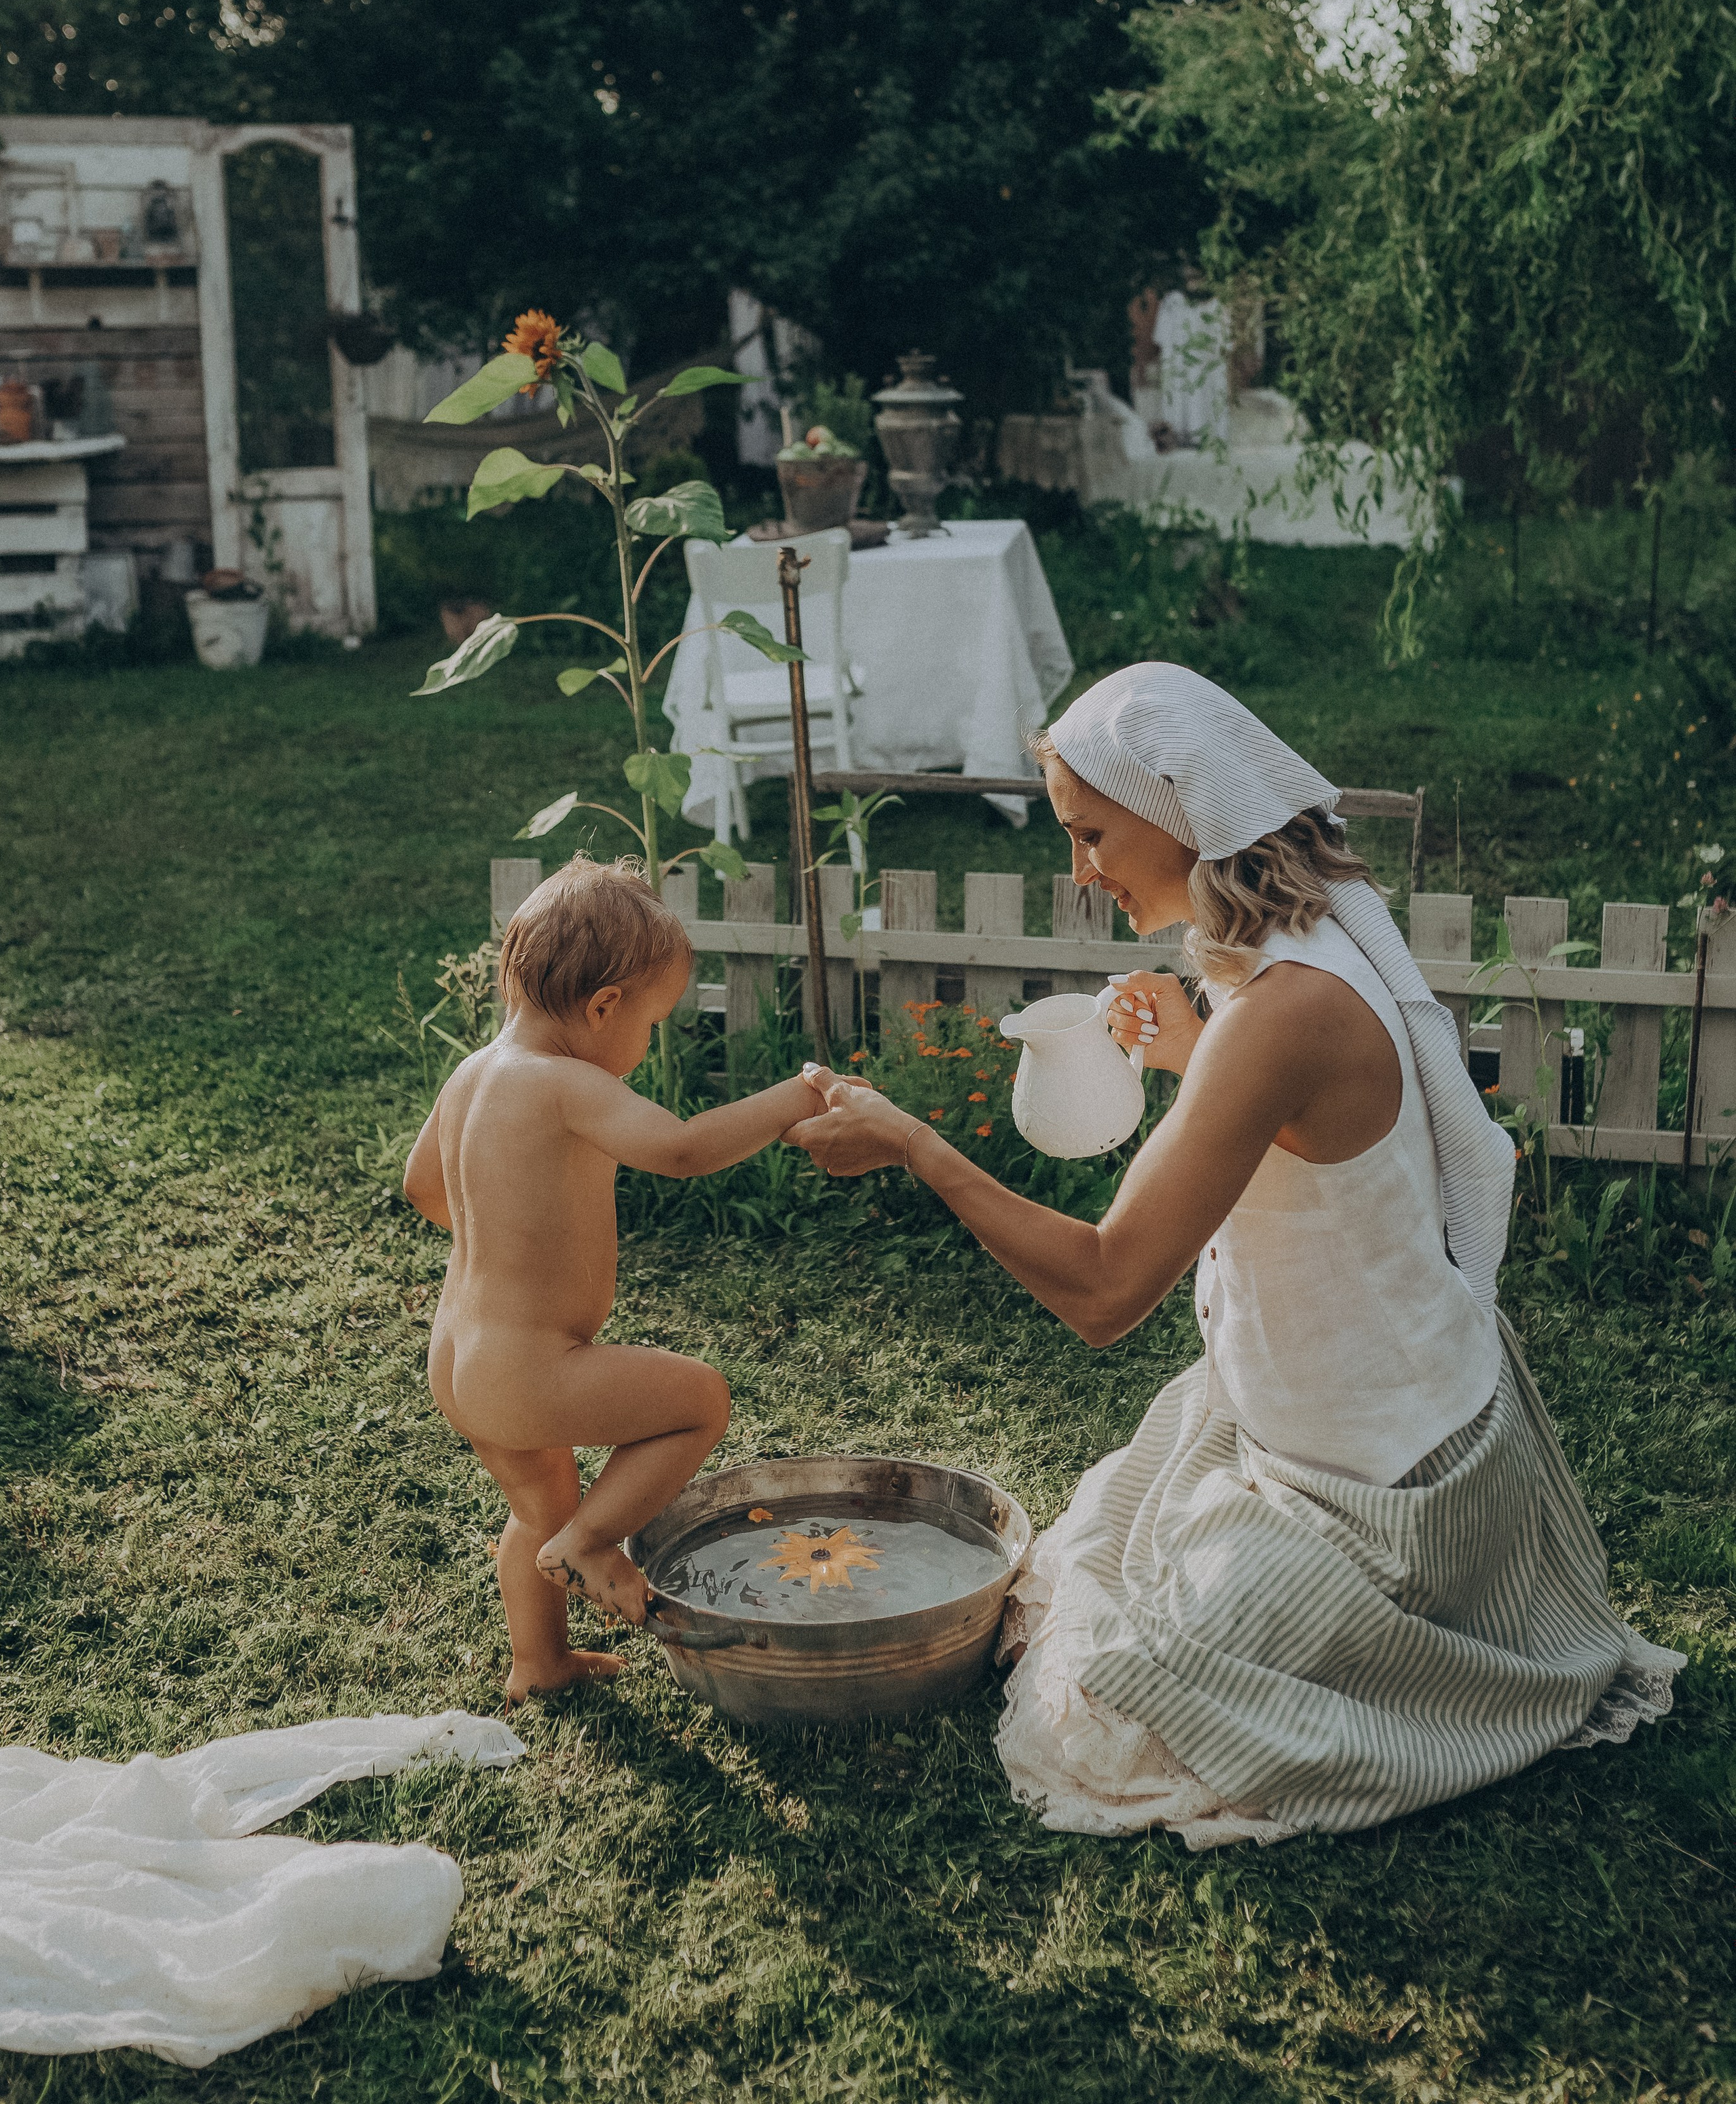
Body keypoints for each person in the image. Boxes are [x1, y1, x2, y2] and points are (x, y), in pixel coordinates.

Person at [787, 665, 1682, 1843]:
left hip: (1392, 1490)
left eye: (1091, 833)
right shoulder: (1294, 965)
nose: (1081, 872)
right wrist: (1193, 1050)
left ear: (1185, 812)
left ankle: (1410, 1635)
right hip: (1339, 1413)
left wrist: (914, 1146)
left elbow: (1108, 1290)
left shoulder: (1281, 1015)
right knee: (1094, 1543)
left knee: (1102, 1712)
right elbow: (1309, 1127)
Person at [404, 855, 825, 1704]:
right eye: (652, 1022)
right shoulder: (568, 1083)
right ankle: (595, 1546)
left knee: (538, 1514)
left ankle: (541, 1661)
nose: (647, 1041)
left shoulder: (475, 1073)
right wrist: (795, 1097)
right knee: (698, 1400)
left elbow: (421, 1187)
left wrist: (515, 1230)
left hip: (460, 1356)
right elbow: (680, 1150)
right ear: (603, 1008)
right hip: (529, 1366)